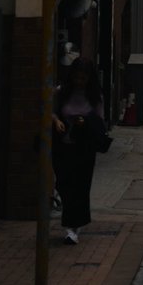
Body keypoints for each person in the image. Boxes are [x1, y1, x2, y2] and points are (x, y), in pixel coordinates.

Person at [52, 57, 107, 245]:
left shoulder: (95, 96)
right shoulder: (62, 93)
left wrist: (86, 122)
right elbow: (51, 110)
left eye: (83, 79)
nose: (79, 82)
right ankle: (72, 223)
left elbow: (100, 121)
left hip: (84, 148)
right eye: (76, 78)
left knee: (80, 187)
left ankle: (73, 228)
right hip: (63, 146)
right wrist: (56, 121)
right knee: (64, 185)